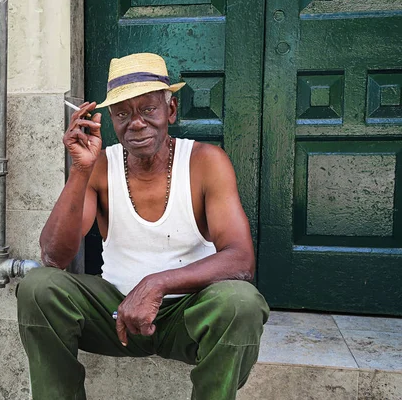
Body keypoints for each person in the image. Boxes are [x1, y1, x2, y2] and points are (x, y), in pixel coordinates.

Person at [16, 53, 269, 400]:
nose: (136, 123)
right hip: (114, 315)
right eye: (122, 113)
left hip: (187, 317)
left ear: (171, 110)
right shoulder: (101, 166)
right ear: (112, 122)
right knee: (37, 287)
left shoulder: (206, 162)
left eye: (148, 109)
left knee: (241, 303)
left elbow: (241, 260)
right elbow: (54, 257)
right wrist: (80, 170)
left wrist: (156, 285)